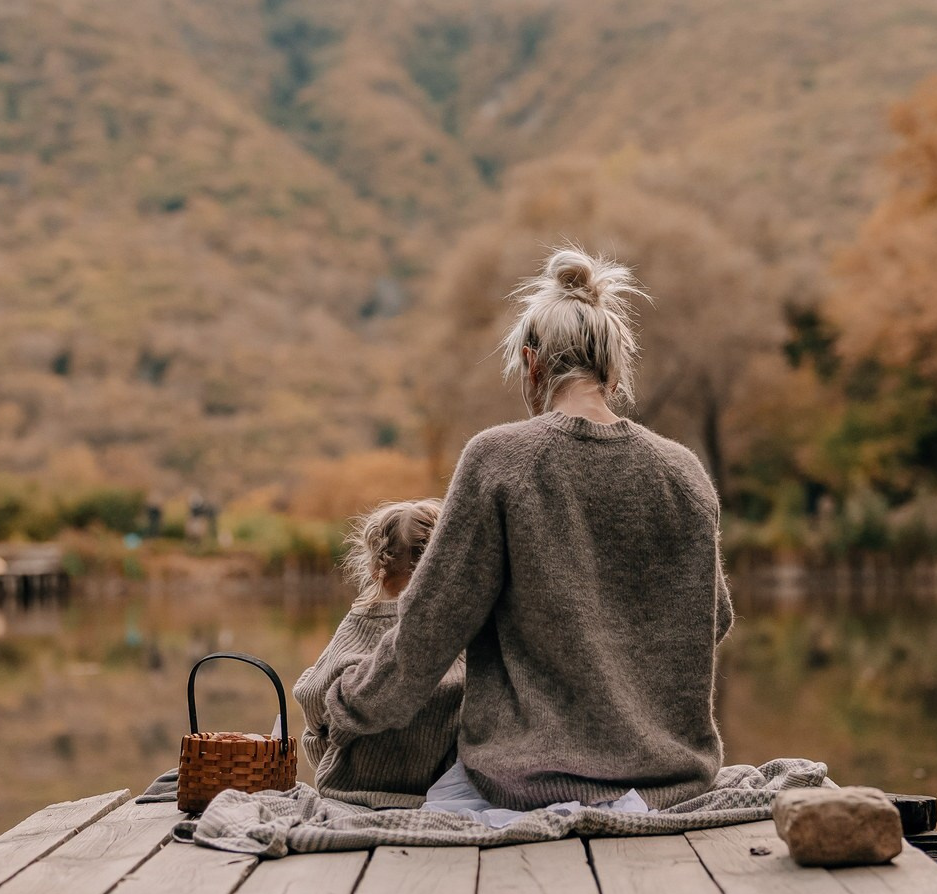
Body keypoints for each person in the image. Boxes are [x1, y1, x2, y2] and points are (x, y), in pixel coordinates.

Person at [326, 245, 735, 813]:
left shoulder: (499, 460)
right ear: (612, 373)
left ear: (531, 363)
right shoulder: (684, 472)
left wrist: (346, 702)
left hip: (528, 787)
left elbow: (427, 635)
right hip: (673, 786)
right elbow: (713, 620)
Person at [291, 499, 463, 807]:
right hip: (435, 788)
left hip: (352, 785)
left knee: (318, 707)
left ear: (375, 566)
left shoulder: (361, 622)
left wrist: (309, 679)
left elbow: (313, 700)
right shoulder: (455, 630)